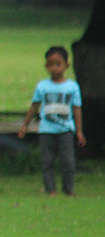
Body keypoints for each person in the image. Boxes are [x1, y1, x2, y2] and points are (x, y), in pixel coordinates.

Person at [18, 45, 86, 195]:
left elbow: (77, 109)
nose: (54, 68)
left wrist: (79, 131)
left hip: (65, 130)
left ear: (66, 65)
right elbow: (34, 106)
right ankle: (51, 190)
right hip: (46, 130)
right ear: (46, 66)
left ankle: (68, 190)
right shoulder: (43, 86)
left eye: (58, 64)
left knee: (68, 162)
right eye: (50, 64)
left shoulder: (72, 87)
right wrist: (25, 125)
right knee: (47, 161)